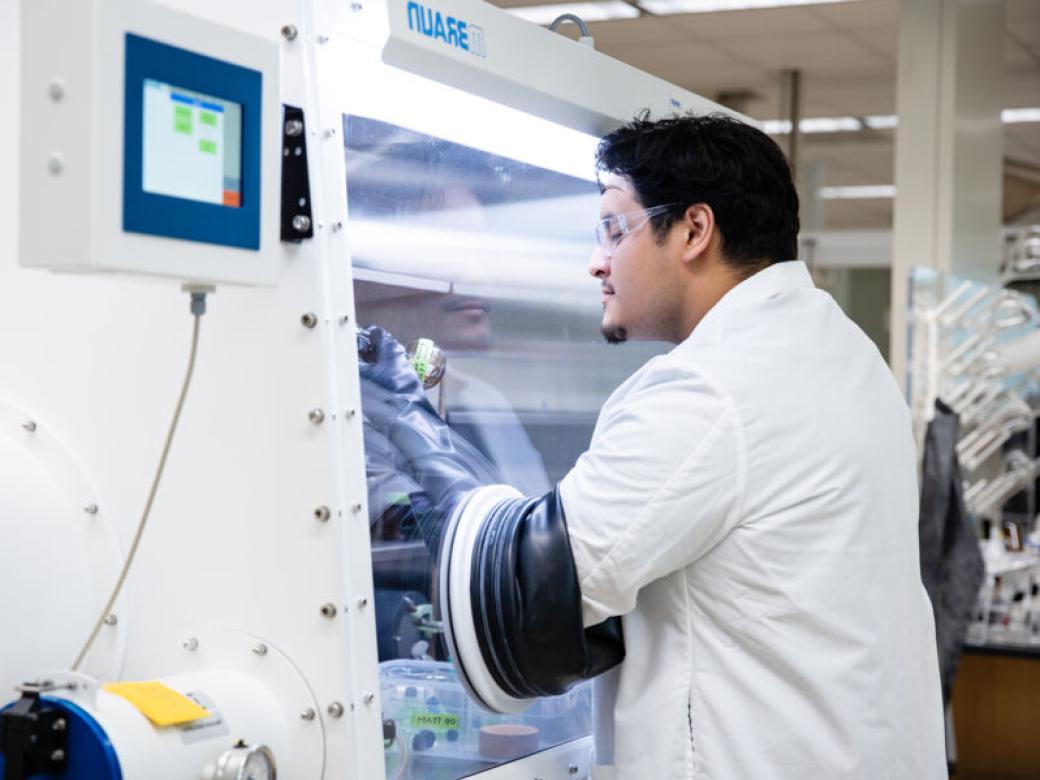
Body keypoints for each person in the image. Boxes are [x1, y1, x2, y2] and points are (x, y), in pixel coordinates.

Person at [359, 112, 946, 779]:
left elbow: (524, 597)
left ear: (694, 230)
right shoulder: (844, 353)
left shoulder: (713, 388)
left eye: (615, 228)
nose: (596, 261)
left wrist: (411, 421)